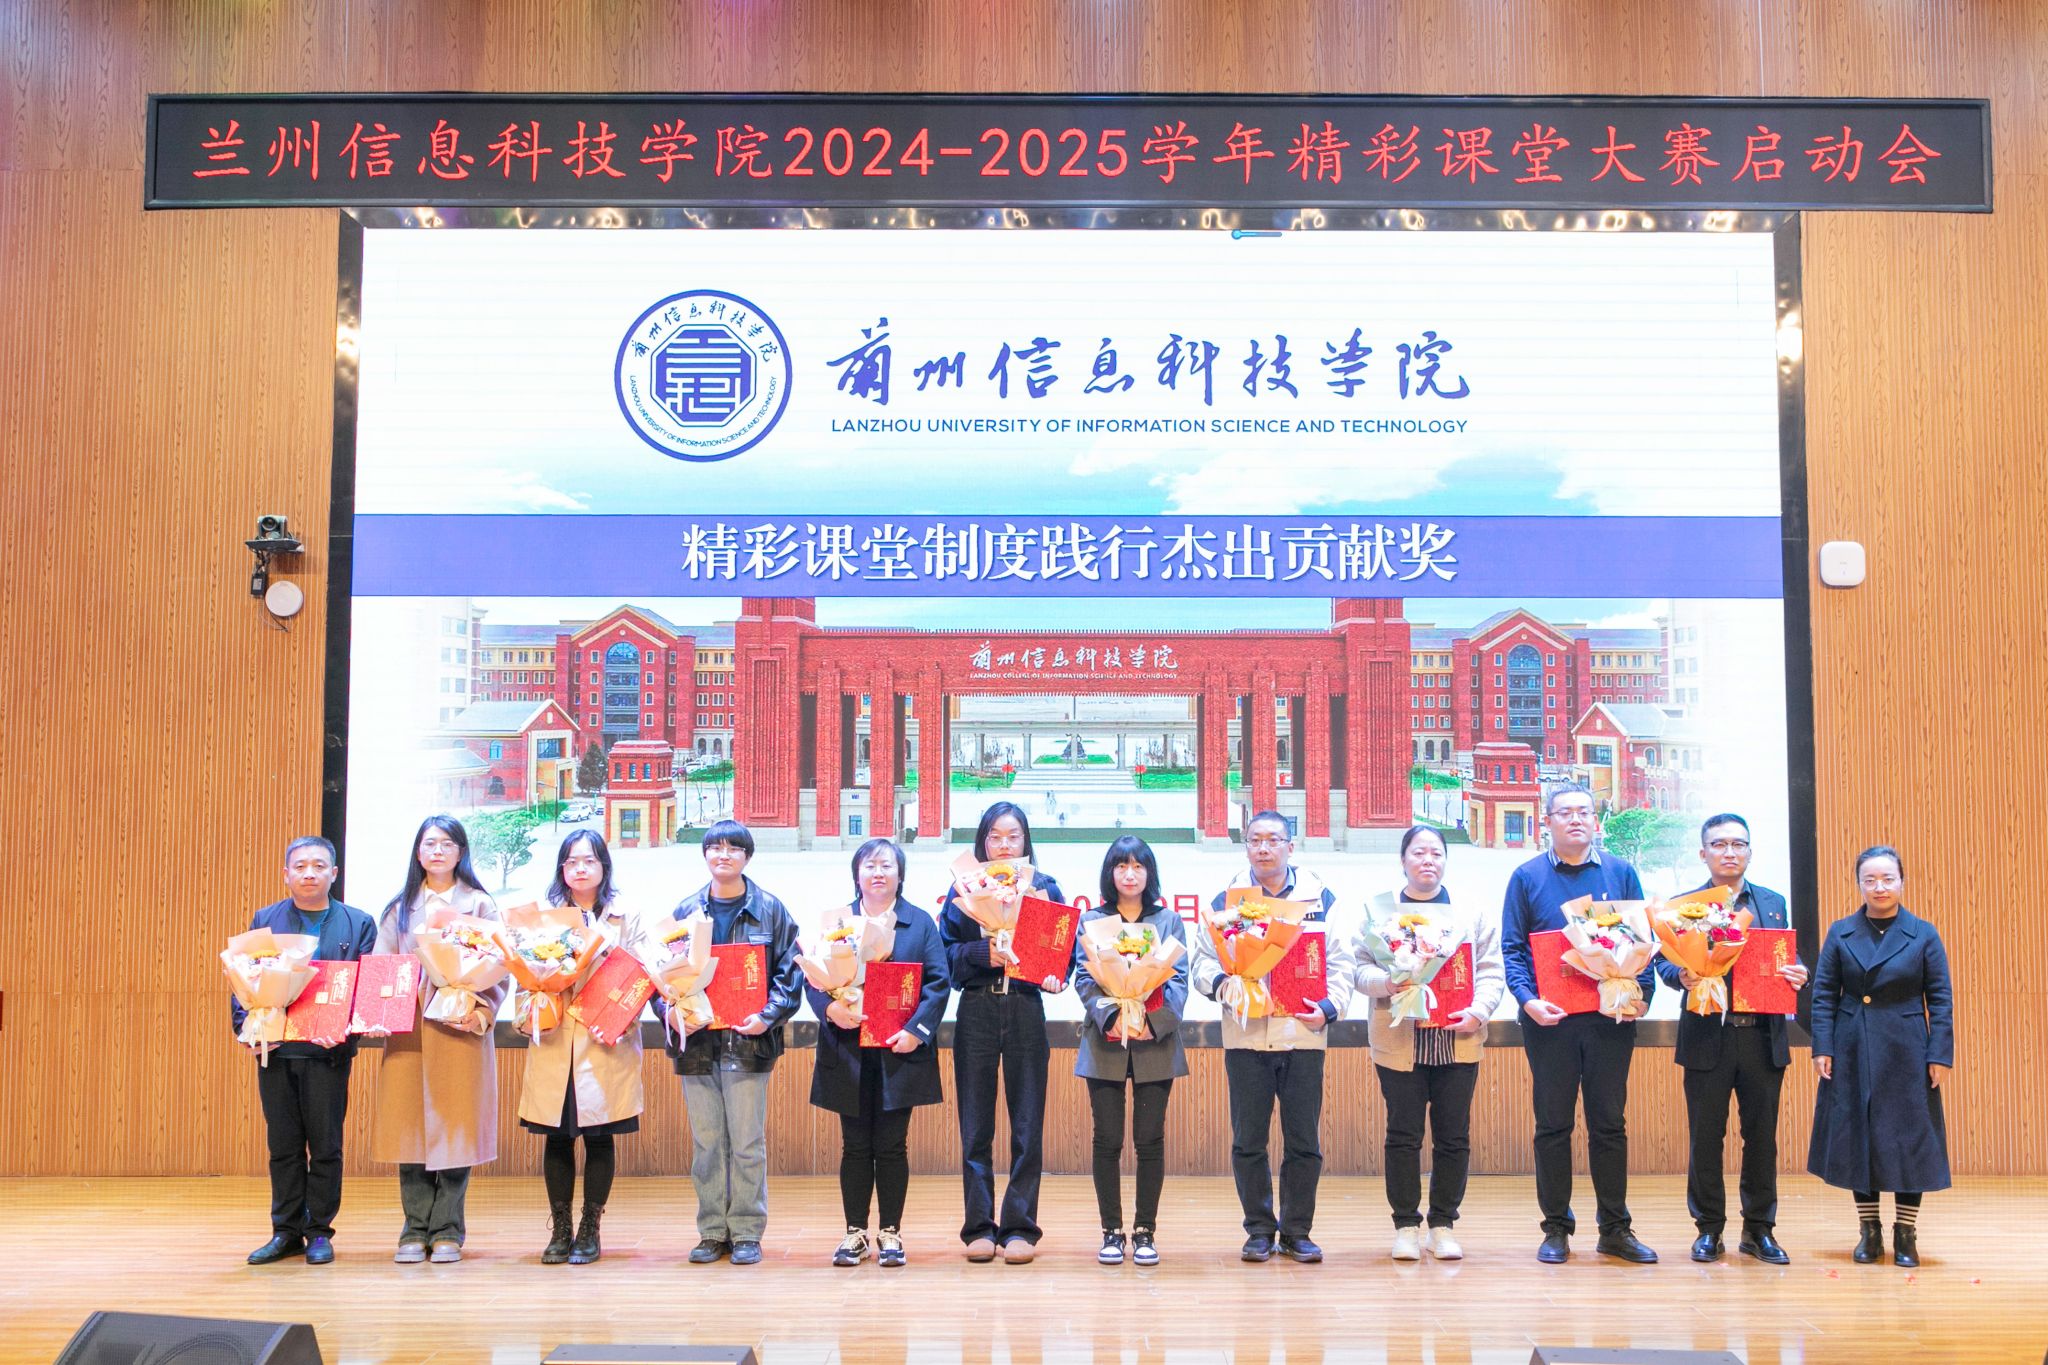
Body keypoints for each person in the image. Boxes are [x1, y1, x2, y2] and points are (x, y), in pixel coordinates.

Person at [1500, 784, 1658, 1265]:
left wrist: (1641, 996)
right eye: (1565, 812)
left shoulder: (1620, 872)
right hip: (1551, 1022)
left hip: (1611, 1019)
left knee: (1609, 1125)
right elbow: (1514, 949)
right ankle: (1556, 1229)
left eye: (1584, 812)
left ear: (1596, 821)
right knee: (1553, 1125)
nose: (1575, 819)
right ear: (1547, 820)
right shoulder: (1526, 877)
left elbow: (1643, 941)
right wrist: (1527, 1000)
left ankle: (1615, 1229)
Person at [1190, 809, 1355, 1264]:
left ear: (1290, 846)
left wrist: (1329, 1008)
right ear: (1245, 846)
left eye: (1273, 840)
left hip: (1303, 1034)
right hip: (1246, 1036)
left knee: (1303, 1141)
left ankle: (1298, 1231)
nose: (1264, 848)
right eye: (1255, 840)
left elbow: (1341, 962)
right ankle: (1259, 1230)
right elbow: (1202, 960)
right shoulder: (1227, 899)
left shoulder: (1319, 898)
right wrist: (1223, 986)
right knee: (1248, 1141)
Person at [1657, 813, 1808, 1265]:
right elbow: (1662, 962)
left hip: (1762, 1036)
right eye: (1719, 844)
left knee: (1761, 1138)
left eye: (1738, 844)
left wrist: (1798, 971)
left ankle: (1759, 1230)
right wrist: (1681, 975)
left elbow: (1783, 954)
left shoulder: (1772, 902)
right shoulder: (1685, 906)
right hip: (1708, 1035)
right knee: (1706, 1138)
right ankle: (1708, 1229)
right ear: (1703, 853)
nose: (1729, 852)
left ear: (1749, 852)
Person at [653, 820, 802, 1267]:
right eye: (715, 847)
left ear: (747, 857)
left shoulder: (770, 909)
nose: (723, 855)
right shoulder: (685, 911)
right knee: (707, 1143)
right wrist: (670, 1012)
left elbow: (791, 974)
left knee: (746, 1143)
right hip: (697, 1045)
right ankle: (712, 1230)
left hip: (748, 1042)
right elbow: (660, 976)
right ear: (704, 855)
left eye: (733, 848)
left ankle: (747, 1231)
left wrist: (768, 1016)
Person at [1354, 825, 1504, 1262]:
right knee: (1403, 1135)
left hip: (1457, 1038)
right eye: (1418, 852)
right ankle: (1405, 1226)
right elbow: (1359, 969)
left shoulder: (1469, 913)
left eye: (1436, 853)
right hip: (1400, 1039)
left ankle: (1442, 1225)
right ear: (1403, 860)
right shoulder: (1379, 914)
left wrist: (1479, 1010)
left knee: (1453, 1136)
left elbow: (1490, 970)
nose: (1428, 860)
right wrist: (1387, 982)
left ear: (1445, 861)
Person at [806, 838, 949, 1269]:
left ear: (900, 874)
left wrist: (916, 1032)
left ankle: (890, 1232)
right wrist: (828, 1008)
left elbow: (938, 983)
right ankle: (855, 1233)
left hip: (897, 1050)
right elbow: (814, 978)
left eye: (887, 865)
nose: (878, 872)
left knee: (891, 1145)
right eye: (869, 865)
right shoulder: (837, 922)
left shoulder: (920, 924)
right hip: (848, 1049)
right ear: (857, 874)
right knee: (854, 1146)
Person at [1808, 845, 1953, 1269]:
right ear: (1859, 884)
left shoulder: (1923, 933)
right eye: (1869, 880)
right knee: (1861, 1134)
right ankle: (1869, 1230)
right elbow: (1823, 995)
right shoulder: (1841, 932)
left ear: (1902, 882)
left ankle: (1905, 1232)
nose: (1879, 887)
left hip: (1907, 1047)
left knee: (1909, 1136)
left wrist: (1939, 1053)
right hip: (1852, 1043)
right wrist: (1823, 1046)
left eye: (1888, 879)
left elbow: (1940, 999)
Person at [236, 836, 378, 1267]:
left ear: (334, 873)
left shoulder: (358, 923)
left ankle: (318, 1232)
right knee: (283, 1147)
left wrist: (347, 1032)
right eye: (300, 867)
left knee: (326, 1147)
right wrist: (249, 1030)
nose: (309, 873)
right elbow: (243, 978)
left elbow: (366, 991)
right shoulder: (266, 920)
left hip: (327, 1055)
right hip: (278, 1051)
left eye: (318, 866)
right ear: (286, 874)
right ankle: (285, 1232)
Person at [939, 800, 1070, 1264]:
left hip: (1025, 1008)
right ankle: (978, 1226)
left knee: (1027, 1125)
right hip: (976, 1008)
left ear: (1026, 841)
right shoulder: (963, 889)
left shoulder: (1045, 887)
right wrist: (982, 954)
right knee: (975, 1125)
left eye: (1013, 836)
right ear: (983, 842)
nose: (1004, 845)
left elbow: (1064, 955)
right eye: (995, 836)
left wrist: (1056, 976)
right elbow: (944, 959)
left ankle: (1019, 1227)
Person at [371, 815, 504, 1265]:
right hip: (410, 1034)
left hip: (458, 1031)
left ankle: (447, 1229)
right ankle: (413, 1228)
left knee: (454, 1130)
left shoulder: (480, 904)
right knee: (409, 1131)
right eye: (429, 843)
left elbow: (500, 968)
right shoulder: (399, 909)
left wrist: (480, 1012)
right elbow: (383, 967)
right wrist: (380, 1013)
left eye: (447, 843)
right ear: (418, 852)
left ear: (461, 852)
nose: (438, 851)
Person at [517, 831, 645, 1266]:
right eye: (571, 862)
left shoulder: (627, 915)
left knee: (599, 1135)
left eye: (589, 861)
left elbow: (643, 974)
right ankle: (560, 1229)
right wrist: (530, 1010)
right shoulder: (542, 919)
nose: (580, 869)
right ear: (562, 870)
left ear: (604, 866)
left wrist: (620, 1018)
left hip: (605, 1040)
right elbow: (524, 976)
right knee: (556, 1137)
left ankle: (590, 1228)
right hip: (556, 1038)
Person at [1072, 835, 1189, 1267]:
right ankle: (1111, 1231)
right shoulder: (1092, 920)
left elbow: (1178, 980)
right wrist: (1112, 1019)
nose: (1130, 874)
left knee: (1150, 1140)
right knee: (1107, 1140)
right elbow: (1085, 978)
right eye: (1121, 866)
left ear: (1149, 873)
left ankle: (1144, 1232)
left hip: (1154, 1044)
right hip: (1105, 1041)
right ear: (1110, 873)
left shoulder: (1168, 920)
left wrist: (1151, 1023)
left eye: (1138, 866)